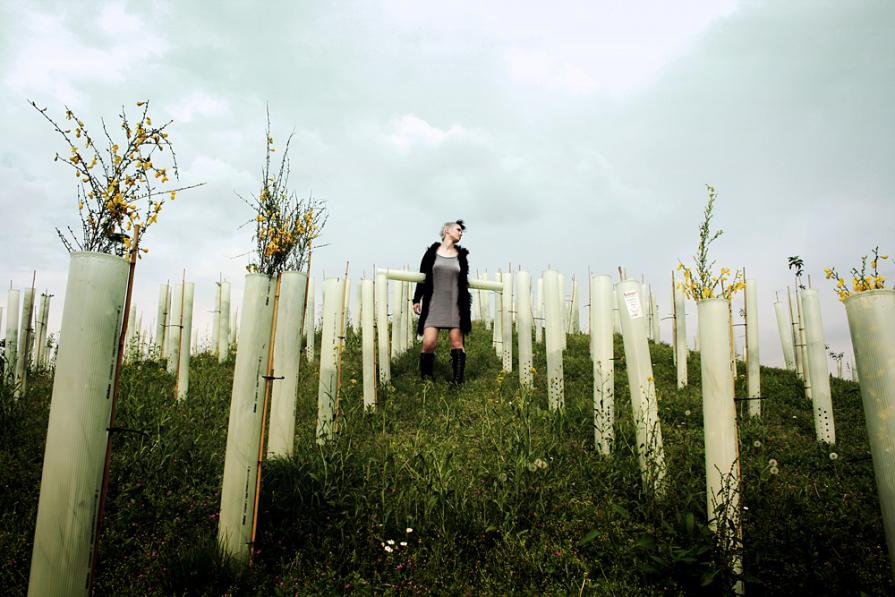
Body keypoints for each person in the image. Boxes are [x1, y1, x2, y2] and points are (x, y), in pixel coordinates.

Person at [412, 219, 472, 384]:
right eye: (458, 229)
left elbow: (463, 280)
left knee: (456, 342)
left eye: (461, 231)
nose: (460, 233)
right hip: (434, 302)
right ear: (447, 230)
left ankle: (457, 382)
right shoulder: (432, 252)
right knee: (429, 343)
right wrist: (416, 299)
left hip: (455, 303)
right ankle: (426, 381)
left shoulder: (461, 255)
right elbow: (422, 276)